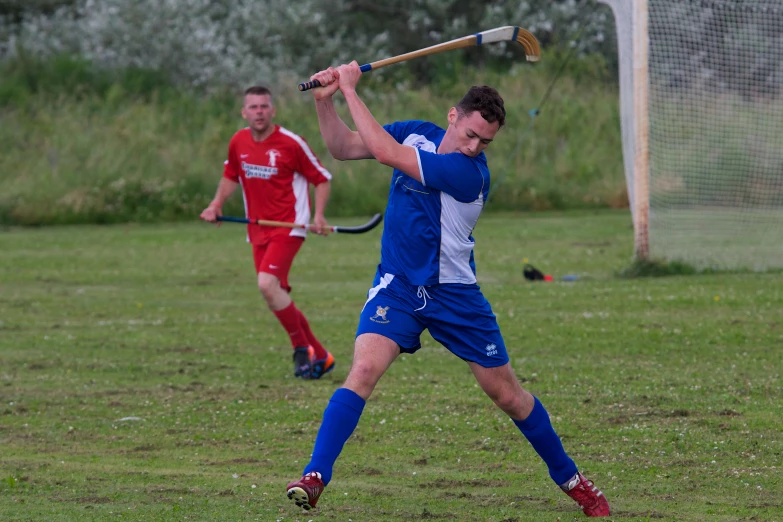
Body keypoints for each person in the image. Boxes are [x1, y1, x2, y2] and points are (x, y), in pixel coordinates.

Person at [284, 63, 611, 517]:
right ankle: (315, 476)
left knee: (508, 397)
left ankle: (574, 481)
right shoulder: (416, 134)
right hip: (398, 286)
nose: (475, 147)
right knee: (361, 372)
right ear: (452, 116)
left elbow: (384, 153)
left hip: (454, 295)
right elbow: (342, 147)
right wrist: (326, 101)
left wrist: (351, 90)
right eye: (471, 134)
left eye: (485, 142)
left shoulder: (468, 173)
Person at [200, 85, 335, 380]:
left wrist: (319, 216)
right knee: (276, 293)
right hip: (257, 229)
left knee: (266, 284)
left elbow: (322, 179)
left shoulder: (291, 143)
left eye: (264, 107)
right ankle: (322, 356)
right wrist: (216, 204)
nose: (259, 112)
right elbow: (230, 174)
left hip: (289, 227)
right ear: (244, 112)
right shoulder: (238, 141)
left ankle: (301, 349)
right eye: (253, 107)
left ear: (272, 111)